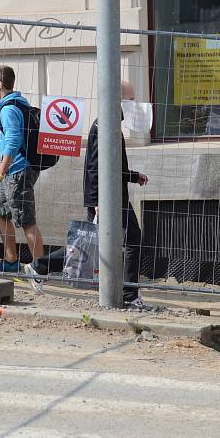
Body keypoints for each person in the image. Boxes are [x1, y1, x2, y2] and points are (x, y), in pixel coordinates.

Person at [24, 81, 153, 311]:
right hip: (108, 198)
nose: (134, 104)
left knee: (94, 242)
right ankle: (129, 294)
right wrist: (97, 202)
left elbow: (111, 165)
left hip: (112, 195)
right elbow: (95, 168)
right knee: (127, 239)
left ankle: (40, 266)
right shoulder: (105, 126)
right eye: (130, 99)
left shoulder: (110, 124)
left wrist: (133, 176)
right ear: (118, 100)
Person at [0, 65, 45, 272]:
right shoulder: (17, 103)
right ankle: (11, 260)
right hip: (14, 171)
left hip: (17, 171)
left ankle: (40, 268)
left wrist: (0, 171)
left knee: (26, 220)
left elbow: (13, 141)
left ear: (0, 84)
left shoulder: (9, 109)